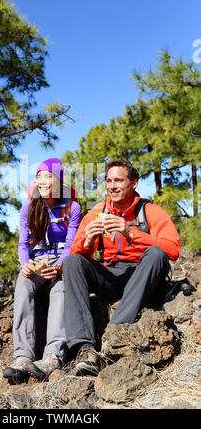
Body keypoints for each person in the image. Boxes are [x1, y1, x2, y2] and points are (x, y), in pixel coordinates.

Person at [62, 157, 181, 376]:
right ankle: (85, 349)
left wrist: (130, 233)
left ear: (133, 183)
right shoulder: (97, 212)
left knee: (156, 253)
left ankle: (113, 336)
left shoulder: (151, 211)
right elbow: (75, 258)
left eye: (118, 180)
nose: (112, 186)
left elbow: (172, 249)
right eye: (108, 181)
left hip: (143, 275)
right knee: (72, 261)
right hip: (111, 274)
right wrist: (87, 243)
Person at [3, 158, 82, 382]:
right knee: (23, 284)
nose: (42, 181)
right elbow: (23, 244)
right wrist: (24, 263)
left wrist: (59, 267)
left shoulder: (72, 207)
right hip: (36, 262)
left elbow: (71, 245)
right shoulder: (29, 206)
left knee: (61, 287)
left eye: (47, 176)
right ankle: (22, 356)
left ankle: (52, 356)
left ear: (59, 180)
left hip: (60, 261)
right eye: (38, 177)